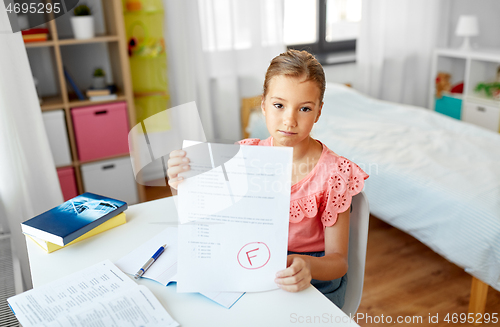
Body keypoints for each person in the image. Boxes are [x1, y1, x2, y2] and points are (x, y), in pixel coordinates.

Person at [167, 49, 368, 308]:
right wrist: (181, 185)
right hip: (250, 266)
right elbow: (204, 219)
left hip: (312, 280)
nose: (290, 120)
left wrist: (307, 264)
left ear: (318, 112)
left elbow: (338, 261)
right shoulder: (243, 155)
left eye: (304, 108)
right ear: (263, 105)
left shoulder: (335, 174)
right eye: (279, 105)